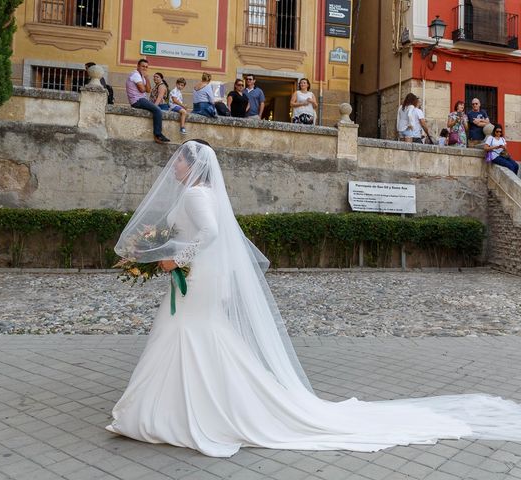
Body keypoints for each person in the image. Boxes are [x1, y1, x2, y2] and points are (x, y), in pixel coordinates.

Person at [107, 140, 521, 458]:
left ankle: (184, 409)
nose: (174, 165)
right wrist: (166, 253)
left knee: (191, 331)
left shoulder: (196, 195)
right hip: (202, 275)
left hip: (197, 276)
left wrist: (175, 258)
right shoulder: (202, 193)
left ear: (192, 166)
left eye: (179, 160)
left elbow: (210, 234)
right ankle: (191, 404)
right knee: (199, 333)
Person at [125, 59, 170, 144]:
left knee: (156, 110)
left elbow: (148, 90)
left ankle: (158, 134)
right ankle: (158, 135)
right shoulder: (135, 74)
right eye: (143, 66)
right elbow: (142, 90)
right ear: (138, 66)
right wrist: (145, 82)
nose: (145, 68)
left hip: (142, 99)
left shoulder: (142, 76)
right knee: (157, 110)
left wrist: (146, 78)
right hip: (137, 100)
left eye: (146, 67)